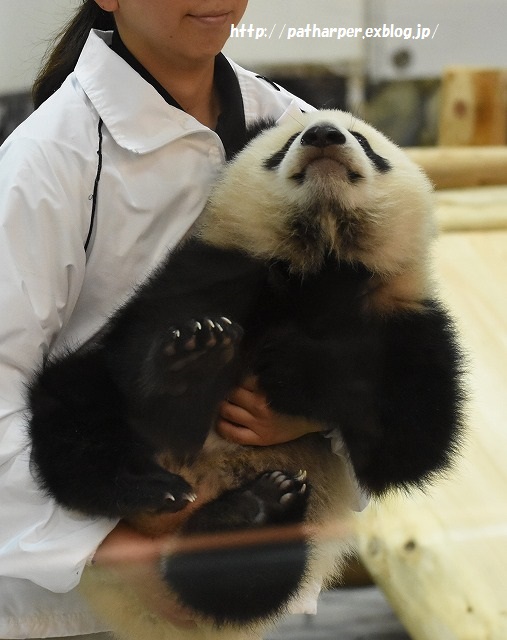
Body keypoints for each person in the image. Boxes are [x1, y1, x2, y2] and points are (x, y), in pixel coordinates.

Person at [0, 1, 333, 637]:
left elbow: (377, 336)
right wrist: (133, 559)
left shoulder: (299, 131)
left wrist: (306, 410)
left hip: (230, 580)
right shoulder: (51, 159)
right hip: (74, 604)